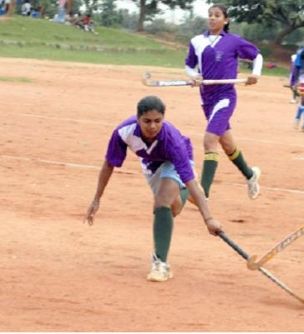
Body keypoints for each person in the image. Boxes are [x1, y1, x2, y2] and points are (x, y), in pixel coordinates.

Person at [84, 96, 222, 282]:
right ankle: (182, 195)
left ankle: (160, 264)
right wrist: (96, 198)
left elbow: (190, 180)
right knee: (173, 208)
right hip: (150, 164)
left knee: (162, 202)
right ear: (138, 118)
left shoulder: (172, 141)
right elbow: (109, 164)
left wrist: (209, 219)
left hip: (175, 161)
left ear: (163, 120)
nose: (152, 126)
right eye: (147, 121)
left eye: (157, 121)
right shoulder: (124, 132)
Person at [184, 4, 263, 200]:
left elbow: (257, 56)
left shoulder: (233, 42)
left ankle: (203, 192)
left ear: (225, 20)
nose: (212, 18)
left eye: (217, 15)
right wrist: (195, 76)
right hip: (207, 98)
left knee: (210, 140)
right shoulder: (197, 41)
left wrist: (255, 74)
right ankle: (250, 175)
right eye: (210, 15)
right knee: (228, 145)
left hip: (225, 96)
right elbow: (189, 65)